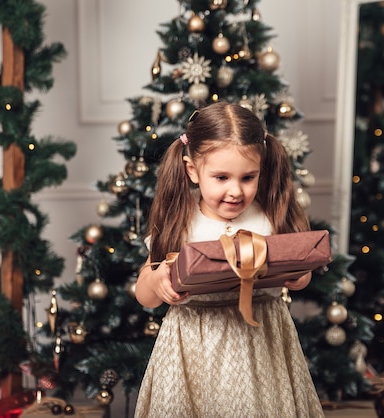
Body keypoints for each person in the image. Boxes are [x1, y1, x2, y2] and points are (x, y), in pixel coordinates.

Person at [134, 101, 325, 417]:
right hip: (191, 343)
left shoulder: (269, 217)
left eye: (247, 178)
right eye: (221, 177)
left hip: (261, 339)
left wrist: (298, 275)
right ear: (193, 171)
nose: (235, 191)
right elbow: (145, 294)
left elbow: (301, 275)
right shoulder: (180, 221)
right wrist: (158, 281)